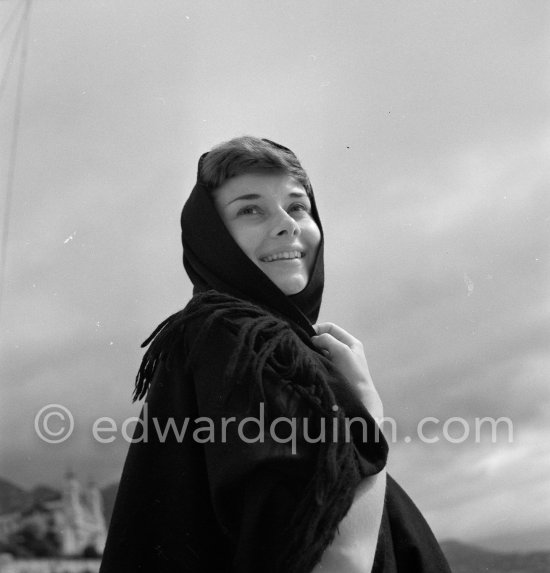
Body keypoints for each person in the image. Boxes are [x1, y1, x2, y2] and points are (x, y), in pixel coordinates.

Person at [99, 136, 451, 572]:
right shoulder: (249, 343)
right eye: (250, 209)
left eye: (298, 206)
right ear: (212, 238)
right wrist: (369, 410)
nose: (287, 224)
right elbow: (340, 564)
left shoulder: (232, 342)